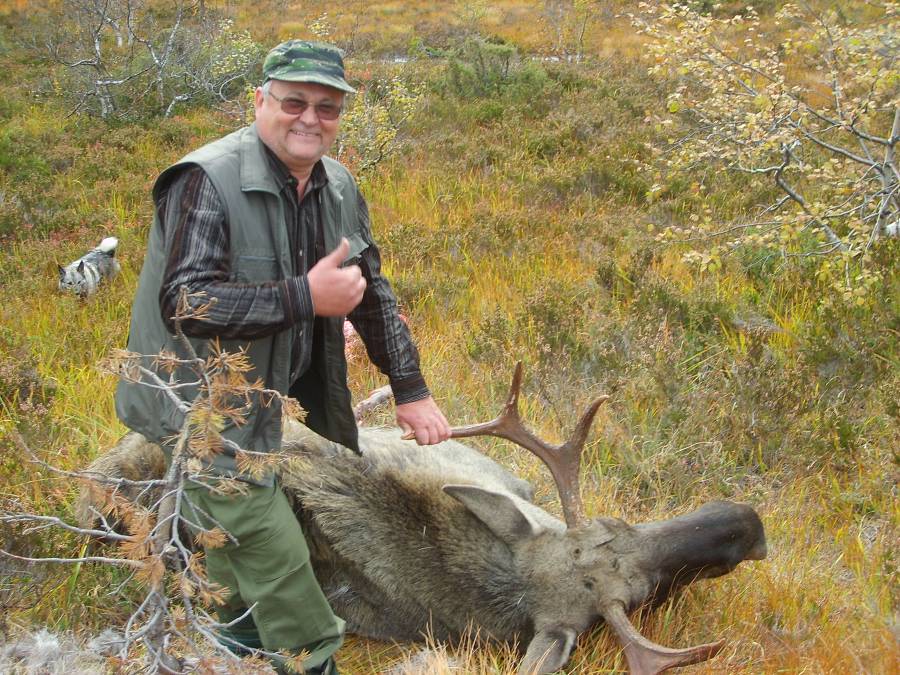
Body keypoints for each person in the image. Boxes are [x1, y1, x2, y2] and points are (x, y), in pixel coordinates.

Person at [114, 40, 451, 674]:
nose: (310, 119)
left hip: (263, 398)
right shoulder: (206, 180)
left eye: (327, 107)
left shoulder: (336, 185)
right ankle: (312, 659)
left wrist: (411, 389)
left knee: (231, 537)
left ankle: (232, 647)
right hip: (195, 403)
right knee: (270, 542)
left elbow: (371, 292)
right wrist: (304, 297)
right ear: (260, 101)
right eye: (294, 102)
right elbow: (186, 302)